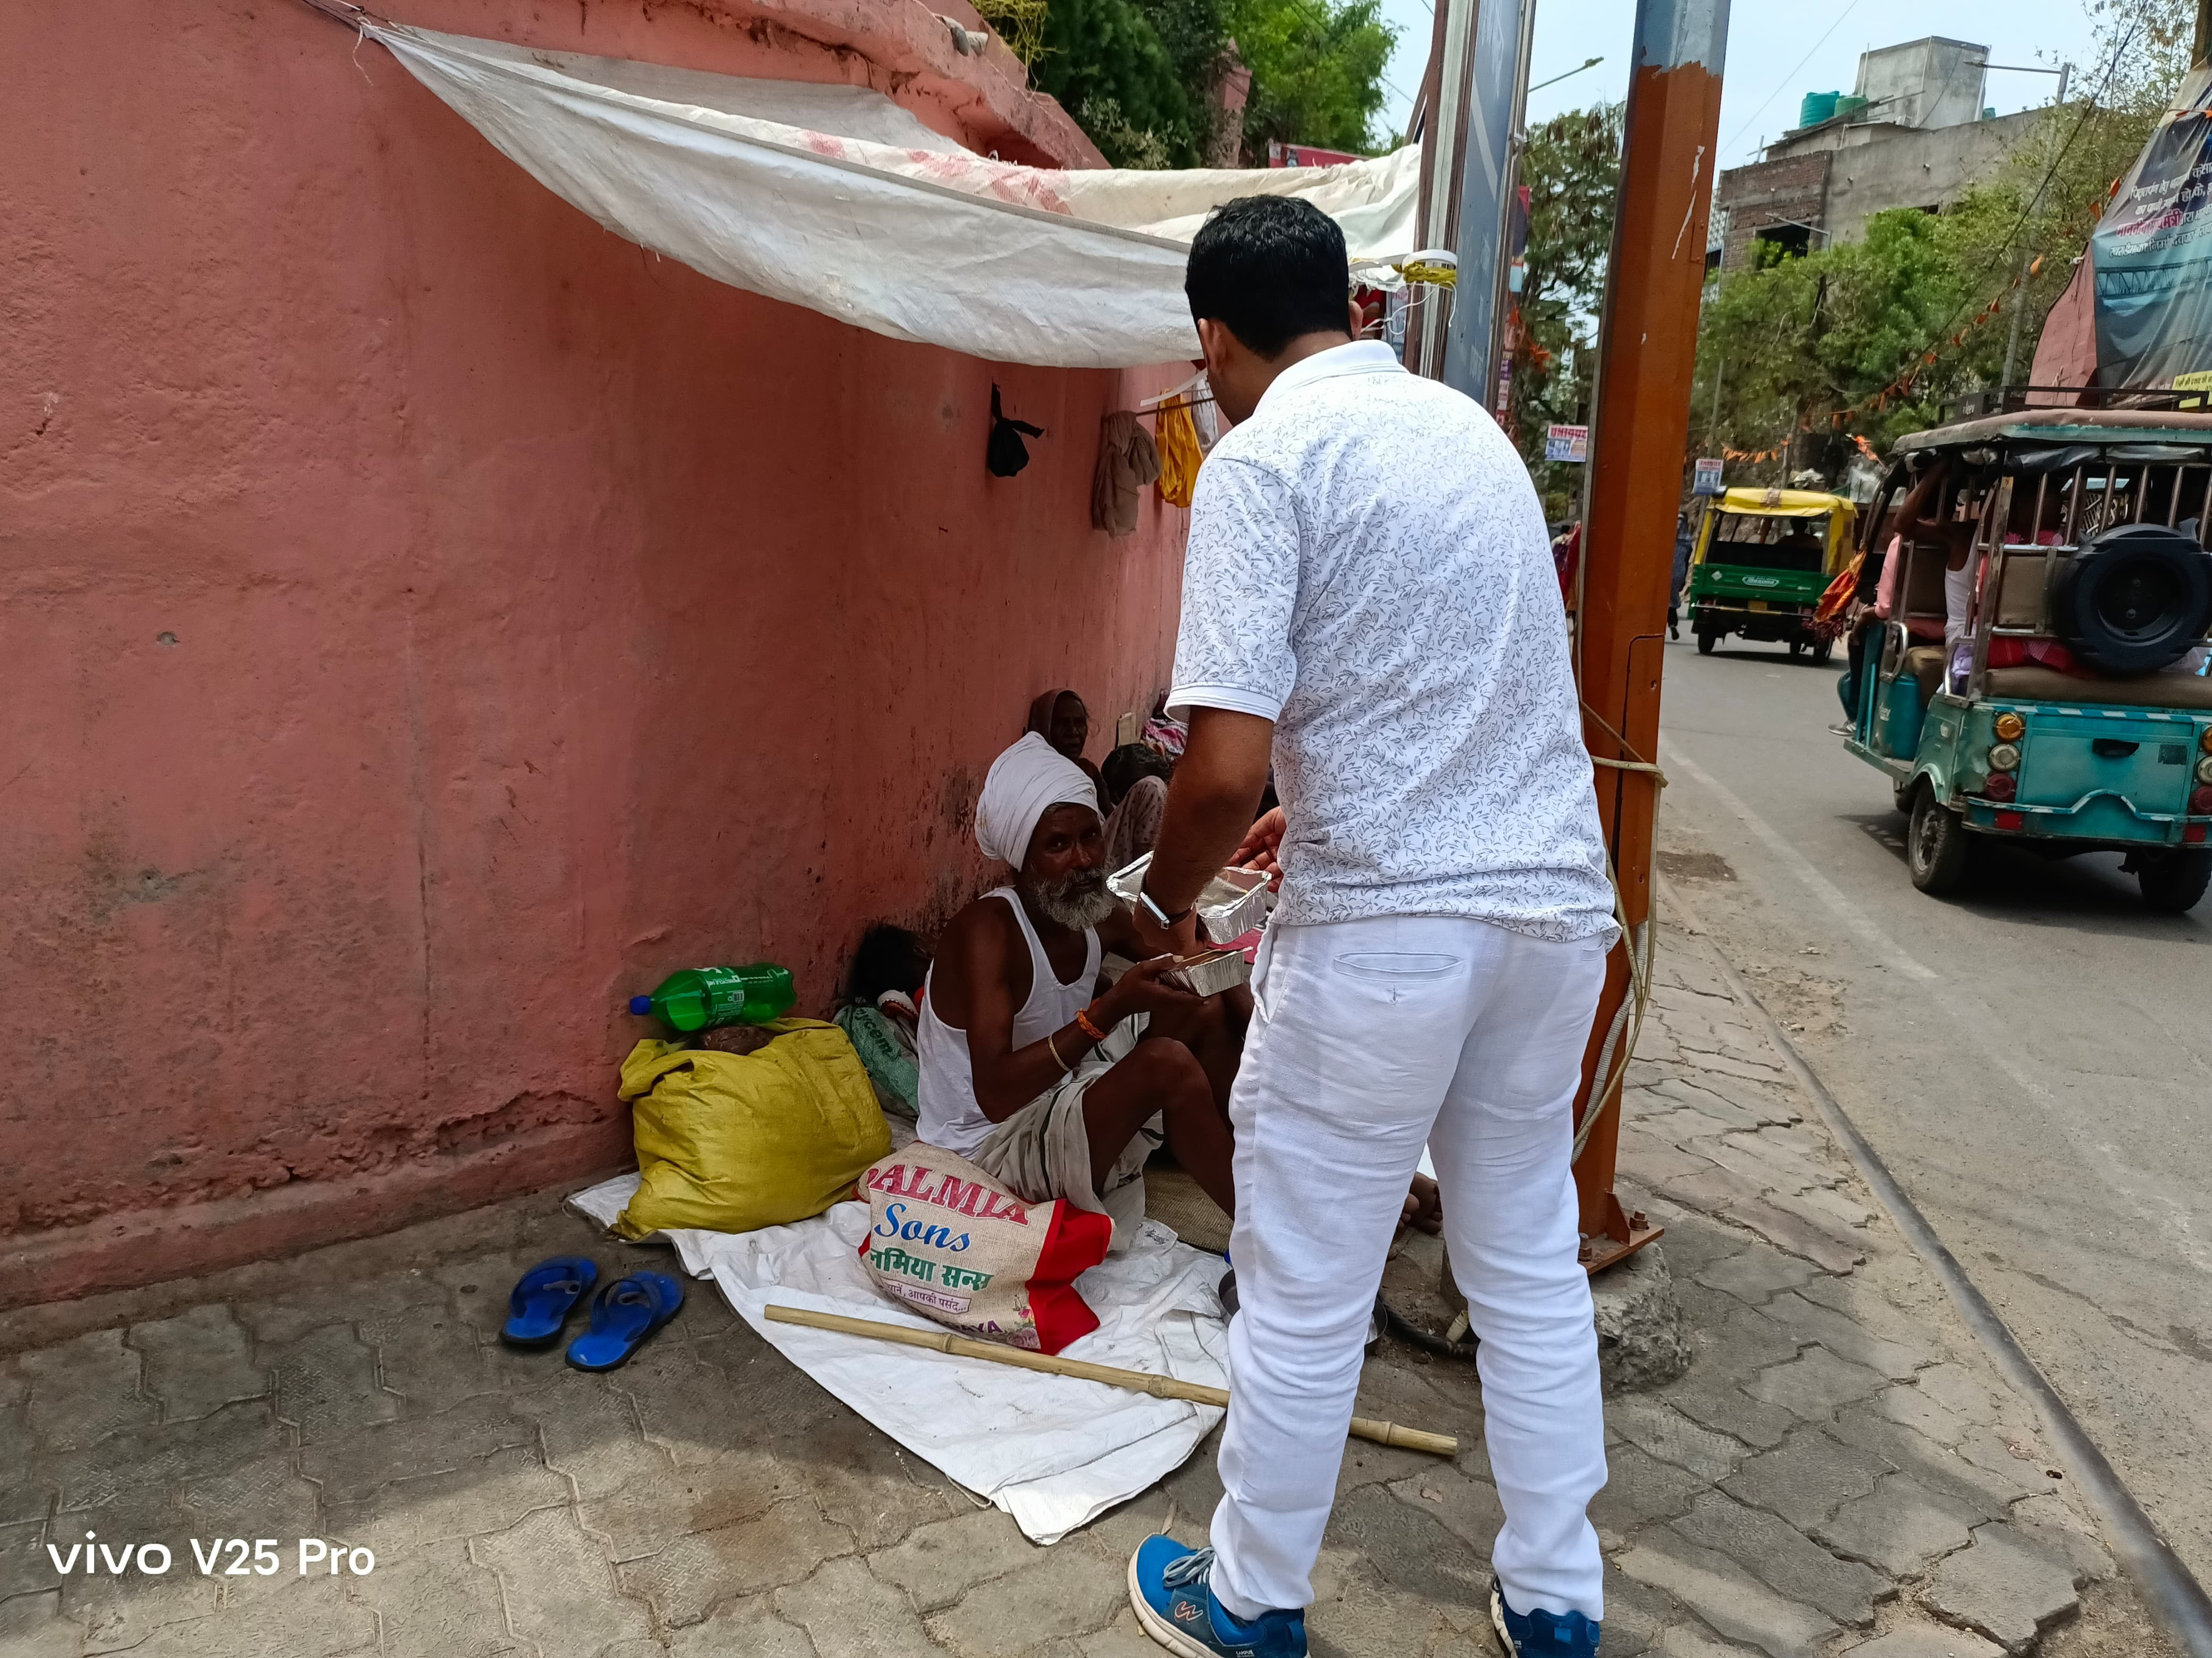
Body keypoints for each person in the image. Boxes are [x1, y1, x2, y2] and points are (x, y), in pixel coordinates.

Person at [1122, 196, 1620, 1658]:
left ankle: (1251, 1593)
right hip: (1549, 917)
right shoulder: (1474, 435)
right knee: (1525, 1260)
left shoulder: (1264, 455)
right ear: (1350, 307)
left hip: (1389, 937)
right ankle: (1558, 1596)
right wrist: (1318, 804)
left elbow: (1219, 767)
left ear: (1213, 336)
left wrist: (1162, 901)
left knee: (1306, 1279)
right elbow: (1443, 690)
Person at [914, 733, 1244, 1241]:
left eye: (1091, 837)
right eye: (1058, 845)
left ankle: (1268, 1164)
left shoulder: (1095, 912)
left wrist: (1250, 1005)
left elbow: (1193, 959)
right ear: (1022, 859)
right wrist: (1110, 1008)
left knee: (1202, 1006)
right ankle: (1272, 1243)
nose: (1084, 859)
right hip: (987, 1148)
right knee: (1167, 1065)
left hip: (1059, 1094)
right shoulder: (987, 933)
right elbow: (996, 1095)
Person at [1025, 688, 1105, 798]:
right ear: (1044, 727)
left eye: (1079, 723)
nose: (1073, 732)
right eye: (1062, 724)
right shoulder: (1035, 779)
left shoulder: (1088, 770)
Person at [1668, 510, 1695, 639]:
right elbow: (1686, 560)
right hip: (1679, 574)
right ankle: (1672, 625)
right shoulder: (1687, 542)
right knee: (1671, 601)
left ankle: (1669, 625)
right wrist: (1683, 580)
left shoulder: (1666, 539)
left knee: (1661, 601)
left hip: (1667, 574)